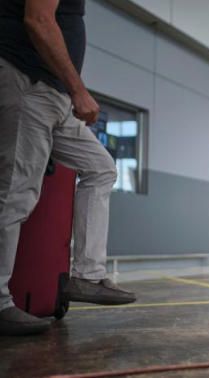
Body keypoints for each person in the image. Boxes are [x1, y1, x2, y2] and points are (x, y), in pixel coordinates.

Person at [0, 0, 136, 337]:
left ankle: (87, 276)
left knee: (101, 168)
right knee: (15, 193)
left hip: (55, 95)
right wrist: (79, 90)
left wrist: (69, 91)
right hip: (28, 81)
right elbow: (38, 19)